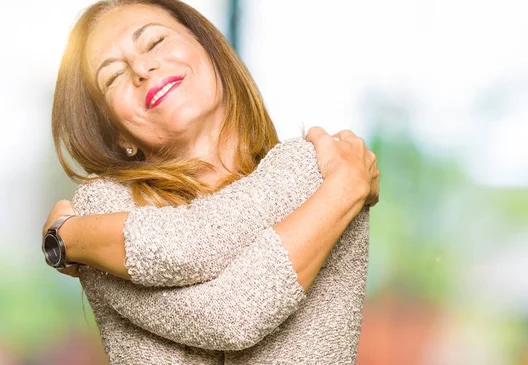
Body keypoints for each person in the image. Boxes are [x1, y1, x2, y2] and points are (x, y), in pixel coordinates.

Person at [42, 0, 379, 364]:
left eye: (155, 42)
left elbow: (230, 309)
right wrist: (343, 190)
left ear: (211, 50)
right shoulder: (101, 205)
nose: (141, 68)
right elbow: (224, 306)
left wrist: (72, 236)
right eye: (113, 77)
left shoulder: (312, 167)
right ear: (118, 134)